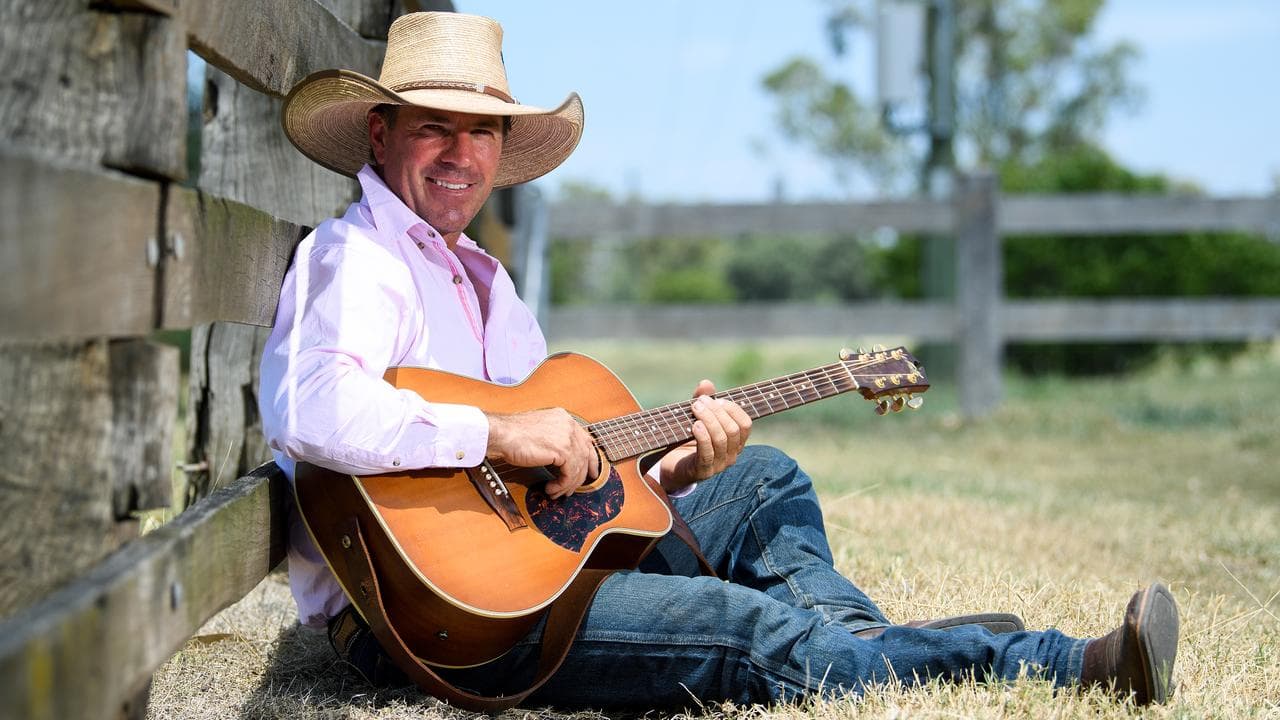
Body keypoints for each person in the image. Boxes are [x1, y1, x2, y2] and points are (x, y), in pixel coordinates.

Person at [259, 11, 1179, 710]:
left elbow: (558, 483)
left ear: (503, 150)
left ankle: (868, 642)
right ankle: (1066, 664)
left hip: (530, 572)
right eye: (433, 127)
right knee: (744, 630)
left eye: (482, 132)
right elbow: (313, 410)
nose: (461, 155)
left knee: (765, 479)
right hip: (434, 621)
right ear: (380, 134)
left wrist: (668, 468)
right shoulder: (356, 259)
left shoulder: (488, 283)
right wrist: (502, 427)